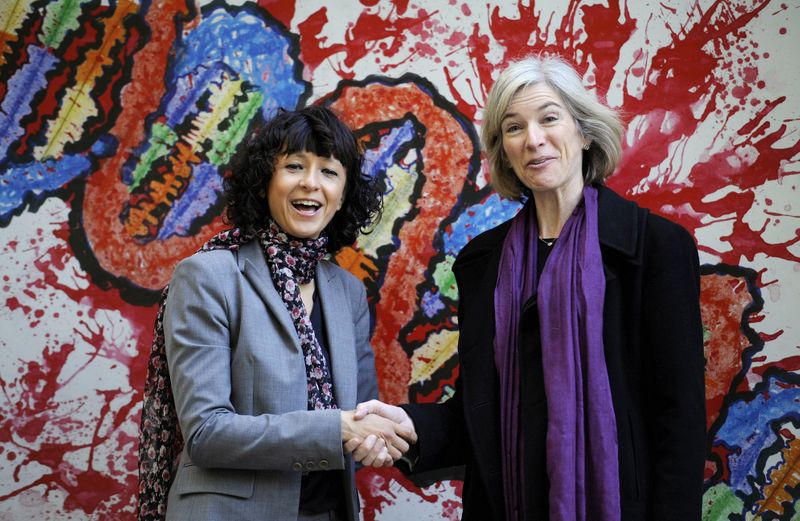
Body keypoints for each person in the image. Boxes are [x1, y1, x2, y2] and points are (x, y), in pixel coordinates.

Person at [350, 55, 706, 520]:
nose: (534, 140)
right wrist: (411, 425)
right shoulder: (483, 264)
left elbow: (679, 420)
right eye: (514, 128)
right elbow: (482, 410)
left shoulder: (655, 249)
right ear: (505, 152)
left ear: (584, 131)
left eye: (549, 119)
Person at [137, 105, 416, 521]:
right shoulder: (208, 276)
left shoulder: (347, 292)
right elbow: (207, 432)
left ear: (343, 196)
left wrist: (379, 438)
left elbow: (360, 414)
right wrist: (339, 428)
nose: (311, 183)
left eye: (329, 171)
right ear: (266, 180)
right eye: (294, 166)